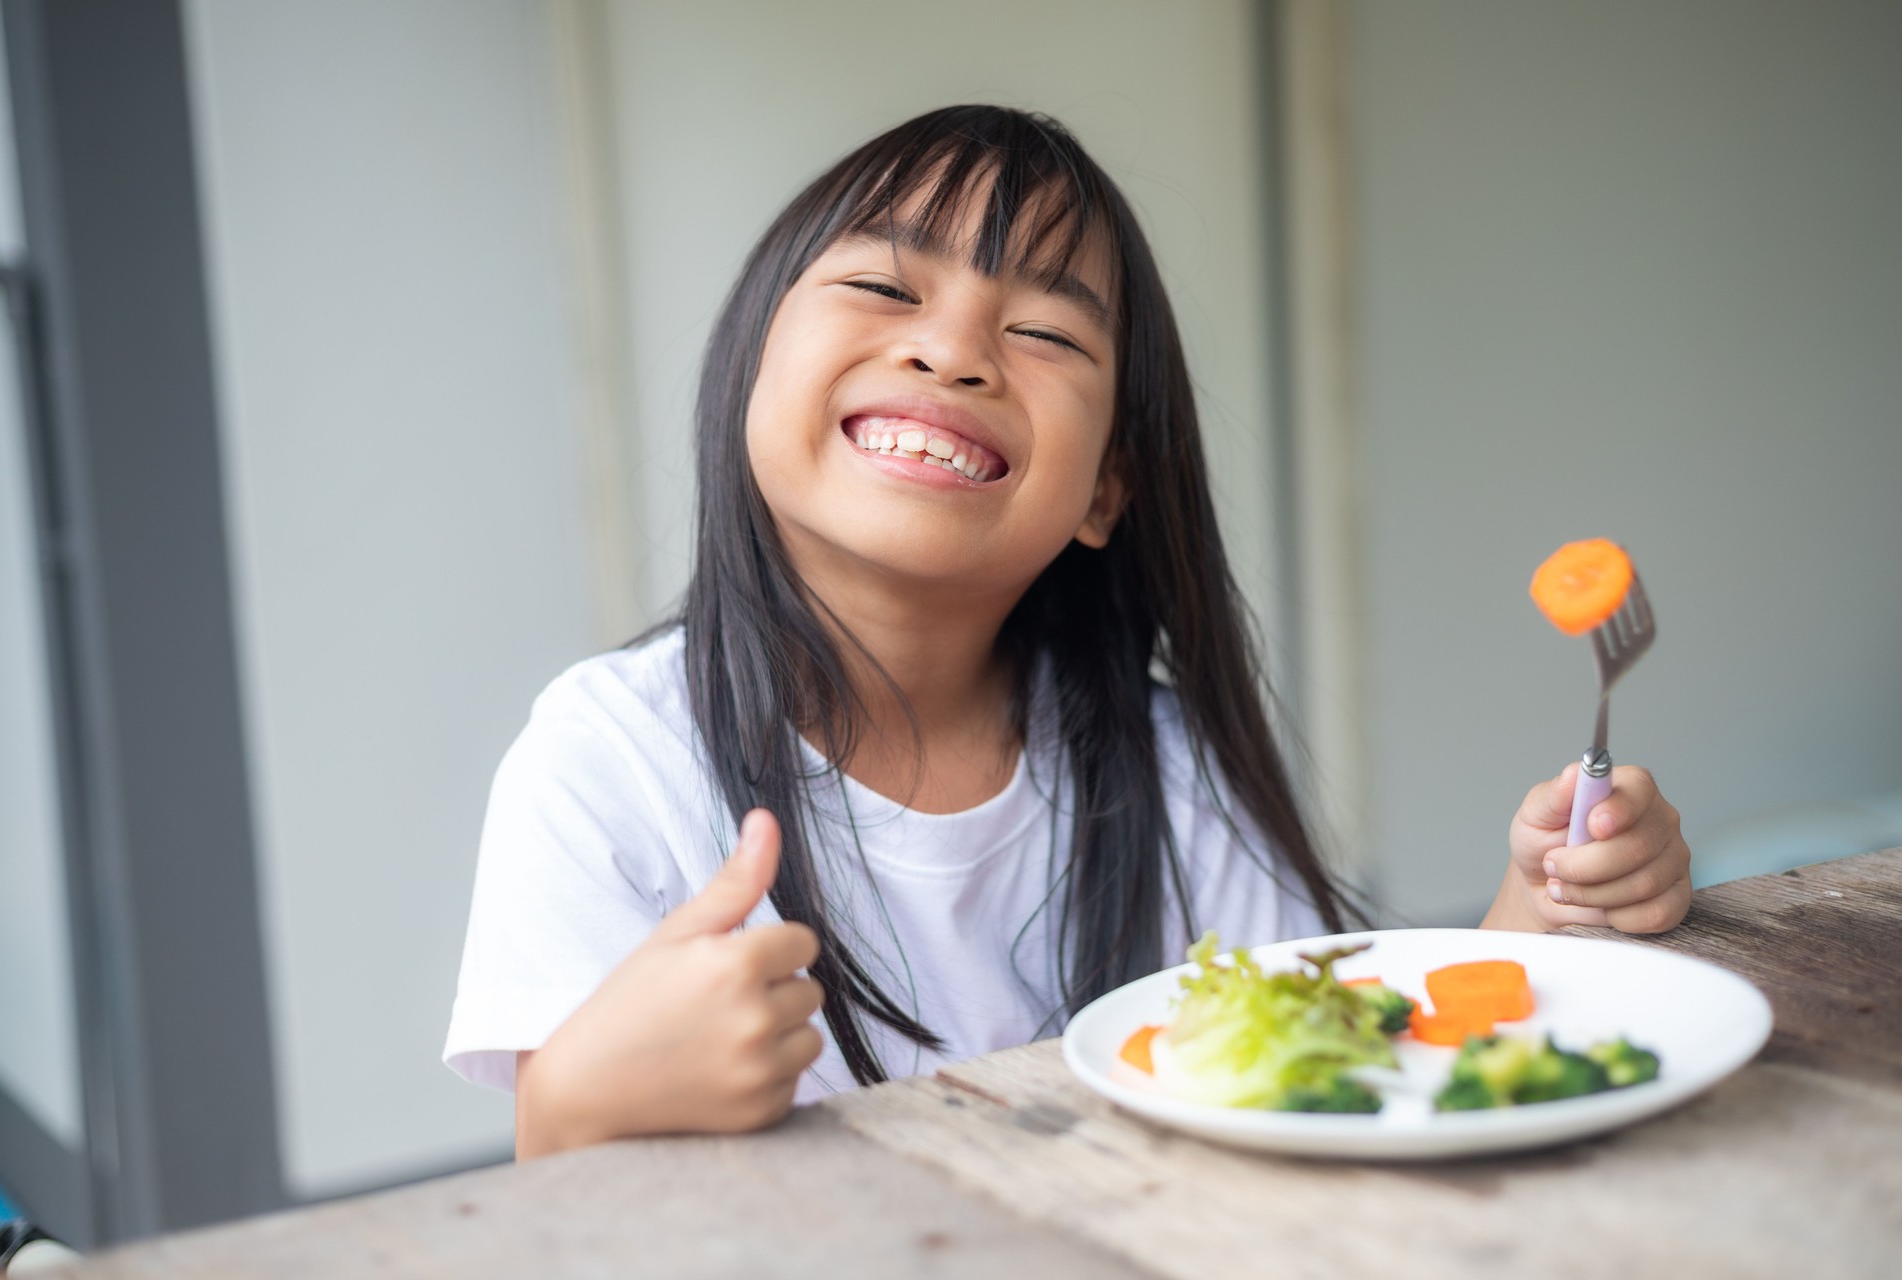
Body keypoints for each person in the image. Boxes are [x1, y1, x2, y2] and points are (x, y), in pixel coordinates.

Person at [441, 105, 1689, 1157]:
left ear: (1106, 490)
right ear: (750, 364)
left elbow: (1343, 1068)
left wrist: (1547, 906)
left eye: (1042, 331)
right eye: (883, 284)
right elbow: (556, 1191)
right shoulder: (608, 759)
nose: (952, 349)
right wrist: (584, 1095)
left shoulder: (1166, 764)